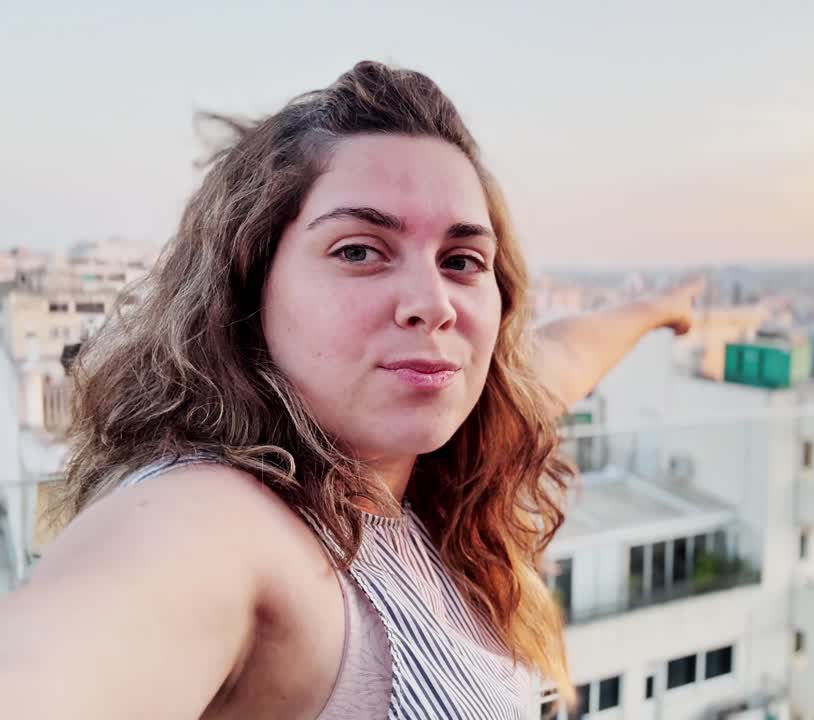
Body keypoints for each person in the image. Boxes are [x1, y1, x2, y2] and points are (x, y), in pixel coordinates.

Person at [0, 60, 701, 719]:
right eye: (360, 250)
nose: (433, 302)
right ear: (246, 286)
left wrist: (660, 310)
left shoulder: (430, 475)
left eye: (461, 260)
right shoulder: (219, 520)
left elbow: (562, 355)